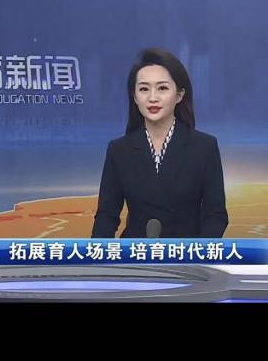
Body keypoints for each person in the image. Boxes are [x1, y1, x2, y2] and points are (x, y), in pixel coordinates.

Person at [91, 47, 228, 238]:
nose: (152, 98)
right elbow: (107, 216)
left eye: (162, 88)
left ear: (179, 95)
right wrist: (98, 253)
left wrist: (199, 252)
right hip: (137, 253)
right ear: (135, 97)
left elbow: (216, 215)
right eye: (144, 89)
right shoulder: (119, 150)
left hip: (185, 253)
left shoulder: (204, 147)